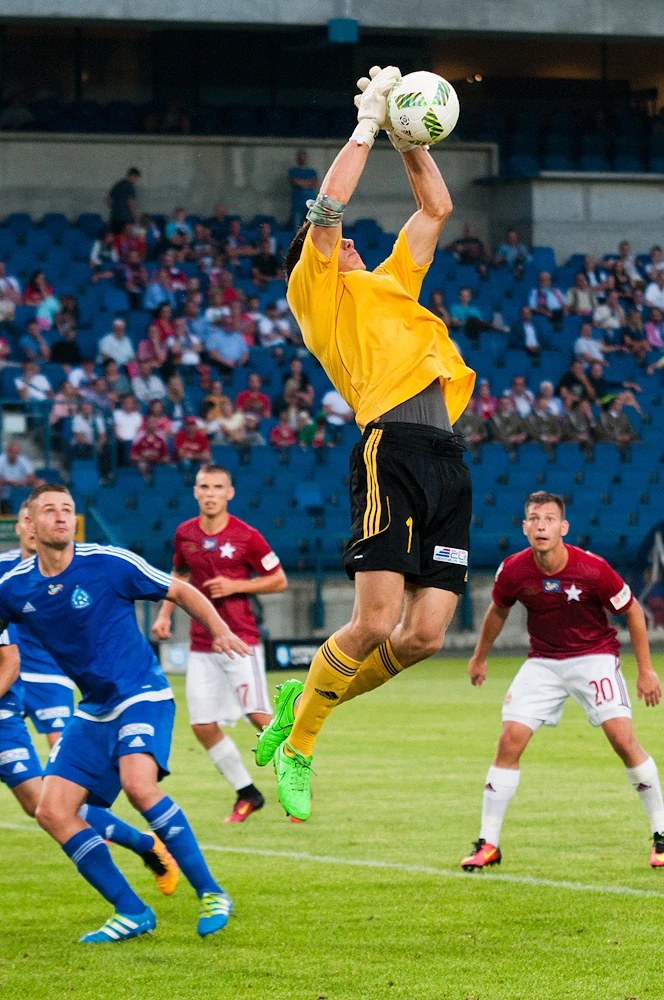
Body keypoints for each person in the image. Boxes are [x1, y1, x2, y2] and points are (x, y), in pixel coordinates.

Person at [255, 65, 474, 821]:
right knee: (374, 622)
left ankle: (308, 701)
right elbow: (329, 208)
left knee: (422, 638)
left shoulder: (389, 284)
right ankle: (301, 745)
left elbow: (436, 206)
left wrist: (409, 137)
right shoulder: (319, 295)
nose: (346, 245)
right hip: (393, 450)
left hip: (448, 458)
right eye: (334, 243)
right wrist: (367, 123)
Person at [0, 483, 244, 940]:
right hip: (93, 709)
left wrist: (219, 629)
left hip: (141, 693)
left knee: (137, 785)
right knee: (52, 811)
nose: (61, 518)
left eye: (67, 510)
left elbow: (179, 590)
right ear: (29, 525)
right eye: (49, 511)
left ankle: (212, 892)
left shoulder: (108, 563)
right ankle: (132, 911)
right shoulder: (13, 587)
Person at [460, 492, 663, 871]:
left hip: (594, 658)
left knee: (623, 740)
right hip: (544, 662)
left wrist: (646, 670)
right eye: (534, 518)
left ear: (563, 527)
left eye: (549, 519)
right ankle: (488, 843)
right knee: (509, 741)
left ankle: (661, 835)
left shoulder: (593, 569)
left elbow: (633, 612)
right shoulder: (514, 570)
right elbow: (497, 612)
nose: (541, 525)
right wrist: (479, 655)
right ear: (524, 527)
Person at [152, 464, 288, 821]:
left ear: (230, 493)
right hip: (202, 644)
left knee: (260, 717)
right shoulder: (185, 533)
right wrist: (165, 614)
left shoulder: (247, 535)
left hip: (241, 639)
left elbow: (278, 580)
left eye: (217, 487)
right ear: (195, 492)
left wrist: (237, 585)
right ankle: (248, 793)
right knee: (202, 725)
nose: (210, 493)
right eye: (204, 487)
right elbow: (178, 576)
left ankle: (295, 782)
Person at [0, 441, 39, 513]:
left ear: (18, 453)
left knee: (40, 483)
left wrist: (22, 482)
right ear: (7, 451)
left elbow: (32, 477)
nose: (13, 454)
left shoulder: (23, 460)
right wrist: (10, 482)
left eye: (16, 452)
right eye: (11, 451)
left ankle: (37, 510)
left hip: (21, 484)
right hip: (5, 485)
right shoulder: (1, 459)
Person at [130, 414, 170, 479]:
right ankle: (147, 481)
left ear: (156, 424)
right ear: (146, 423)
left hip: (158, 463)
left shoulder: (161, 437)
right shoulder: (139, 436)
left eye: (154, 422)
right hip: (143, 462)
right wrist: (145, 458)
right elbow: (133, 456)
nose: (152, 425)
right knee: (142, 464)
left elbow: (166, 457)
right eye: (150, 422)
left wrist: (156, 459)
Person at [289, 149, 318, 228]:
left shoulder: (312, 171)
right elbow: (295, 181)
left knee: (311, 227)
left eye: (304, 156)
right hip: (297, 204)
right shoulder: (293, 171)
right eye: (300, 156)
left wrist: (301, 183)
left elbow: (313, 183)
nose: (302, 158)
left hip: (310, 205)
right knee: (297, 227)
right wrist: (307, 183)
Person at [113, 394, 143, 464]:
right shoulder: (117, 414)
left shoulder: (137, 416)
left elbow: (139, 431)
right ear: (122, 404)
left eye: (130, 403)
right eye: (126, 403)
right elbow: (115, 430)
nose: (128, 405)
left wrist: (135, 440)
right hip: (120, 441)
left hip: (134, 441)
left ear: (133, 405)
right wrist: (120, 438)